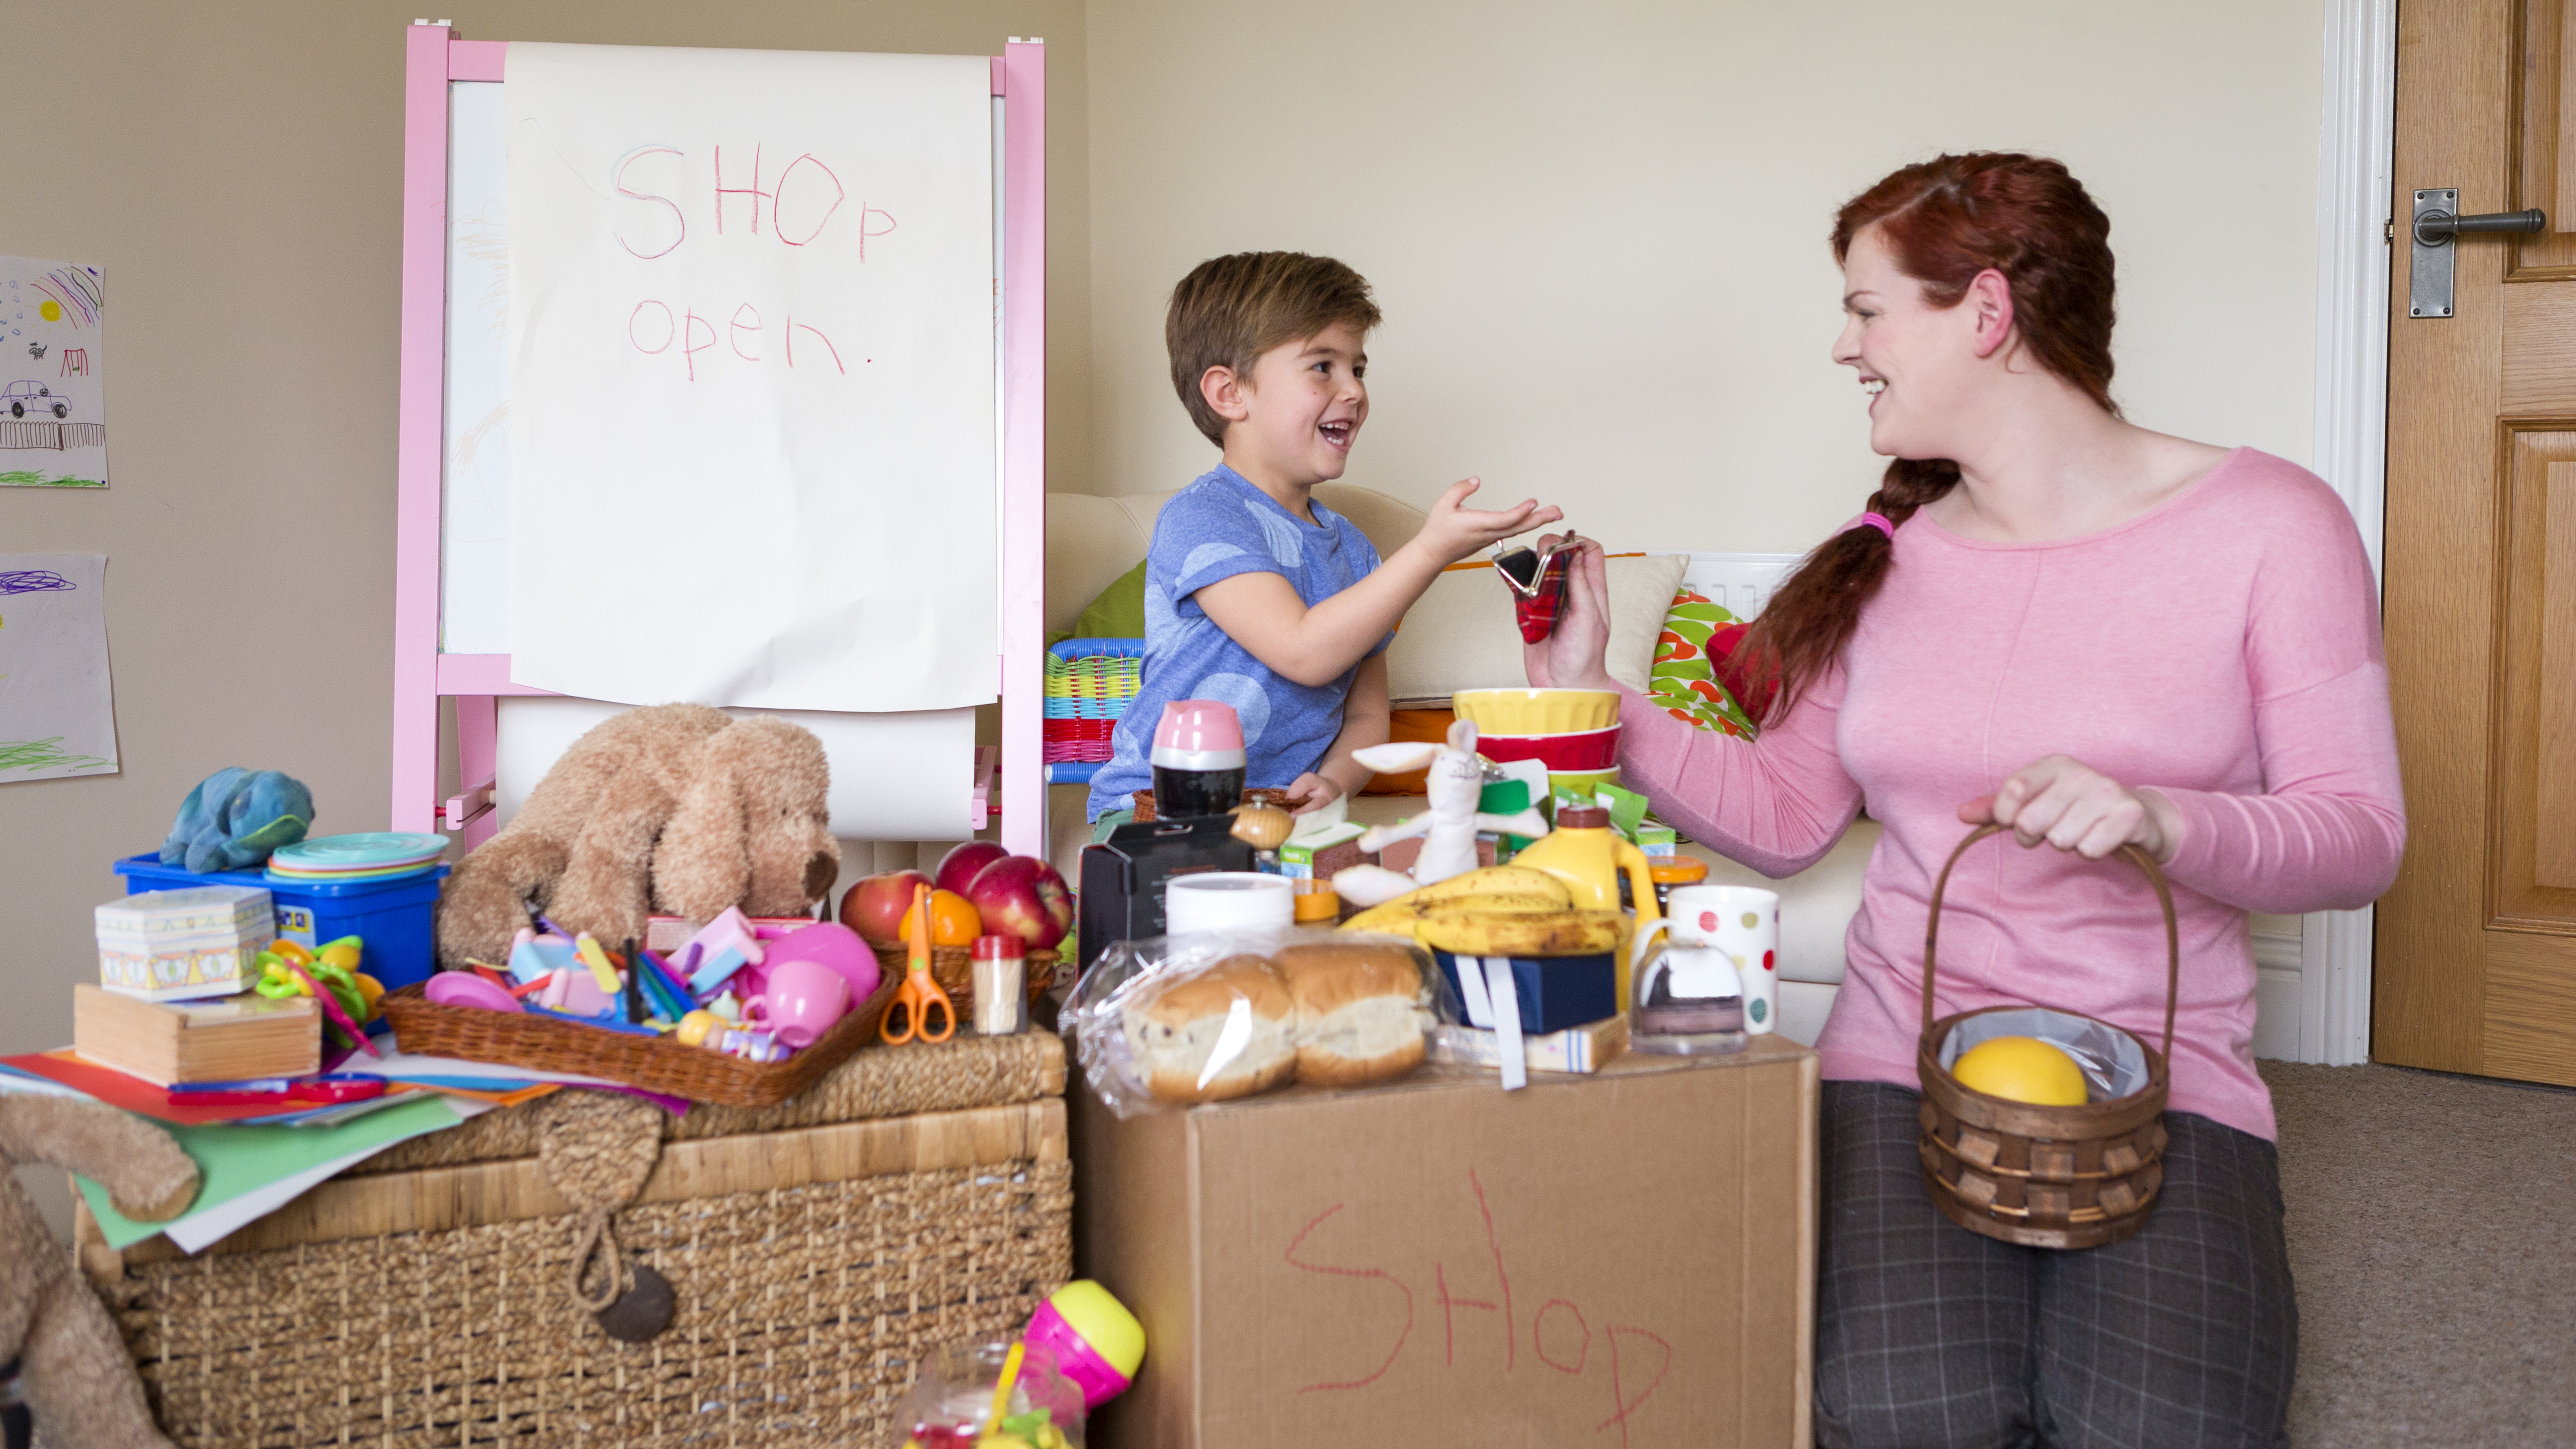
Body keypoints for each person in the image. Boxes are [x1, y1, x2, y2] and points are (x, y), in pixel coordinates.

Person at [1526, 153, 2404, 1448]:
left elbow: (2361, 832)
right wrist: (1592, 691)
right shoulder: (1886, 555)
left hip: (2160, 1070)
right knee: (1902, 1411)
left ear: (1985, 313)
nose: (1844, 346)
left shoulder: (2276, 524)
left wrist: (2168, 821)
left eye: (1868, 309)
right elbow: (1787, 813)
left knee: (2161, 1427)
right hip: (1905, 1056)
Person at [1087, 251, 1560, 822]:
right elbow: (1304, 652)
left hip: (1283, 817)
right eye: (1322, 367)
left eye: (1357, 369)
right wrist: (1431, 550)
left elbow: (1365, 717)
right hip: (1158, 810)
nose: (1354, 391)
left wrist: (1334, 782)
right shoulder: (1203, 519)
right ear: (1230, 393)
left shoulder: (1355, 550)